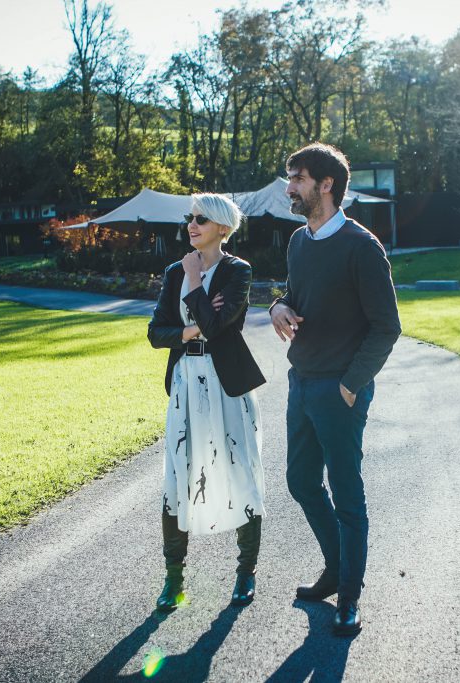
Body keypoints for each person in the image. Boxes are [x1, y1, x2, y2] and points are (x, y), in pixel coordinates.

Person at [269, 143, 401, 636]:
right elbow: (294, 296)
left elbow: (386, 327)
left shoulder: (362, 246)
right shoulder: (299, 242)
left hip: (340, 392)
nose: (290, 188)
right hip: (300, 382)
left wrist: (350, 386)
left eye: (298, 178)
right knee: (302, 483)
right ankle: (334, 568)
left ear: (326, 185)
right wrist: (277, 307)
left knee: (347, 496)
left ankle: (349, 597)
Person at [148, 193, 266, 611]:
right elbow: (156, 332)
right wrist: (190, 329)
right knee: (178, 476)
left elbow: (218, 328)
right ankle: (173, 580)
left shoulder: (238, 272)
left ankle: (245, 573)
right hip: (184, 382)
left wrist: (196, 282)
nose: (191, 224)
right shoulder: (173, 270)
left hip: (227, 383)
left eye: (201, 218)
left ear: (222, 228)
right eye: (189, 218)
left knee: (240, 471)